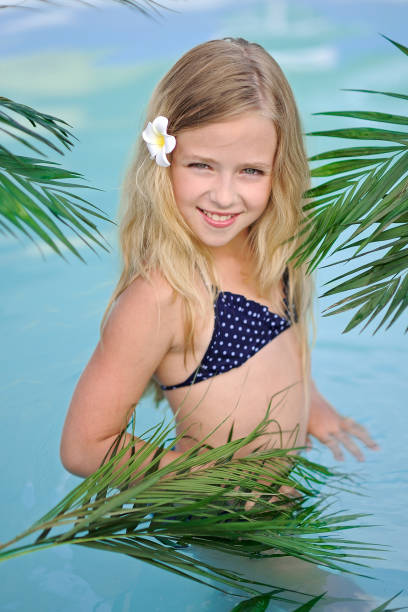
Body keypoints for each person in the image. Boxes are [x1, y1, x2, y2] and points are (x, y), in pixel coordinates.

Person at [60, 38, 378, 481]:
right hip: (219, 517)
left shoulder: (278, 248)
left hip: (278, 496)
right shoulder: (163, 295)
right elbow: (84, 447)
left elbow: (284, 357)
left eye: (250, 171)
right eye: (202, 165)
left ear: (278, 172)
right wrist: (220, 487)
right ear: (164, 161)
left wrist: (314, 408)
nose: (225, 196)